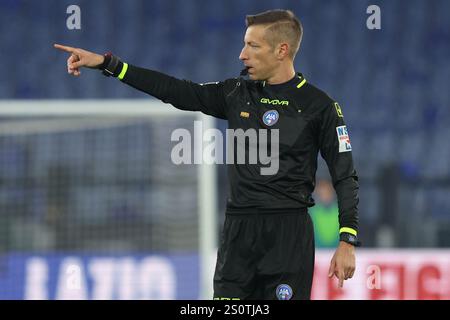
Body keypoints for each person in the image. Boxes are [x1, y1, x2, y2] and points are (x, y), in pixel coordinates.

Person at [54, 9, 360, 300]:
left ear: (281, 50)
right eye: (244, 44)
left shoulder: (319, 106)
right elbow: (176, 90)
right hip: (238, 233)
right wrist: (110, 64)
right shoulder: (237, 93)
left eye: (253, 46)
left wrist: (346, 240)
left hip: (288, 235)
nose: (242, 54)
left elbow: (344, 175)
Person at [310, 179, 340, 248]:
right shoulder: (312, 212)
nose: (325, 196)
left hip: (336, 251)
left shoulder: (340, 210)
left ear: (332, 194)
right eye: (322, 194)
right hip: (317, 252)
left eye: (327, 193)